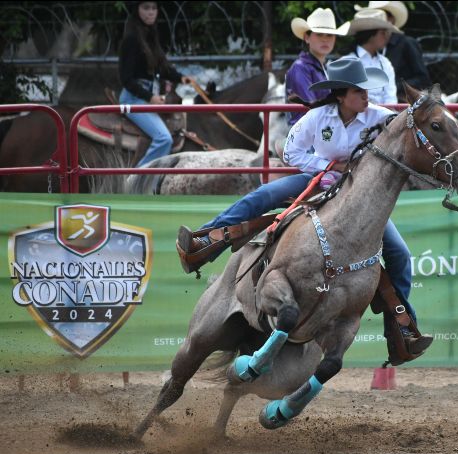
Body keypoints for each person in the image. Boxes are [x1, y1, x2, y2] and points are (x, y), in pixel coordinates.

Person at [176, 58, 432, 356]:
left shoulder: (382, 119)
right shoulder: (318, 118)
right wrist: (327, 166)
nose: (367, 96)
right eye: (359, 91)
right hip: (318, 181)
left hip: (359, 198)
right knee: (262, 196)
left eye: (366, 91)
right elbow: (290, 151)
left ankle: (401, 330)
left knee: (399, 253)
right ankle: (204, 242)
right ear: (340, 95)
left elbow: (409, 130)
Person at [118, 1, 193, 167]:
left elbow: (163, 68)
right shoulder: (131, 40)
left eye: (154, 8)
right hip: (132, 100)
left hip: (144, 98)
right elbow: (126, 79)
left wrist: (181, 78)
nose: (150, 12)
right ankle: (136, 180)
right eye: (145, 8)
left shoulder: (150, 37)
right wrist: (150, 97)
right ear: (137, 11)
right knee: (164, 139)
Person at [356, 1, 432, 101]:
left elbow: (423, 79)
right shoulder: (359, 51)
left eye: (382, 15)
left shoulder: (406, 43)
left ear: (391, 19)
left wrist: (394, 86)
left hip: (403, 103)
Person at [285, 8, 348, 127]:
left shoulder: (328, 67)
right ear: (306, 37)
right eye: (319, 34)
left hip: (325, 129)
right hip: (305, 133)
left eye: (329, 35)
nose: (325, 39)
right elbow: (310, 110)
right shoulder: (300, 68)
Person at [339, 9, 400, 105]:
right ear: (371, 35)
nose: (386, 37)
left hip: (385, 117)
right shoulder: (347, 62)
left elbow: (391, 98)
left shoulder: (385, 63)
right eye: (383, 33)